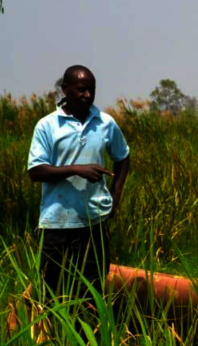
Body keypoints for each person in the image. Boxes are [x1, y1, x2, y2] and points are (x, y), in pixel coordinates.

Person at [27, 65, 130, 302]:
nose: (88, 95)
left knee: (91, 295)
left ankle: (88, 327)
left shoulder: (105, 123)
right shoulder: (47, 125)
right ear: (65, 89)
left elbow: (123, 157)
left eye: (92, 90)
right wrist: (76, 169)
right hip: (55, 224)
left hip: (93, 222)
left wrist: (115, 196)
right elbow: (35, 171)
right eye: (82, 89)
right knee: (51, 294)